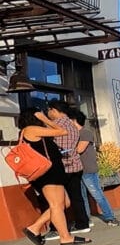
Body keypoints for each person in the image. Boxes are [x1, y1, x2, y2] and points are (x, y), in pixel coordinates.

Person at [18, 109, 91, 245]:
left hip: (52, 173)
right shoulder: (31, 129)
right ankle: (65, 237)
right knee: (57, 204)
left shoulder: (34, 130)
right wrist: (45, 119)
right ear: (35, 116)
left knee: (64, 203)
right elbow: (62, 131)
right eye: (40, 114)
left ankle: (34, 228)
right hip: (48, 174)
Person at [71, 110, 120, 227]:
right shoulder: (74, 135)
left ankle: (110, 217)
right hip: (78, 169)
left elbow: (79, 149)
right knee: (82, 196)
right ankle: (86, 218)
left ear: (74, 121)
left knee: (97, 194)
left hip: (88, 169)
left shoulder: (85, 133)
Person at [47, 100, 90, 233]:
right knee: (76, 196)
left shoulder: (54, 126)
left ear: (54, 110)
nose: (47, 113)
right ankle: (83, 224)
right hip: (75, 164)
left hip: (62, 166)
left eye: (48, 110)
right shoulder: (72, 124)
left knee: (57, 200)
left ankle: (57, 227)